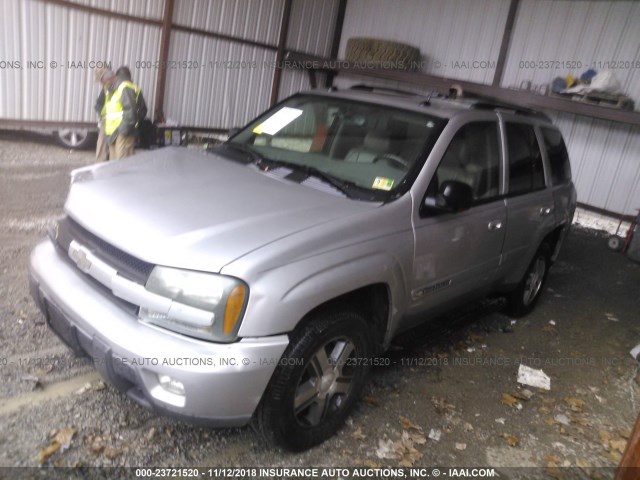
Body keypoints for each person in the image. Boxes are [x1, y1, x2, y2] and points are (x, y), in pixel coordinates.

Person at [104, 67, 142, 160]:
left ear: (116, 76)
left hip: (122, 132)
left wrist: (124, 130)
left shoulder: (125, 87)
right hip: (114, 132)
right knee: (114, 165)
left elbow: (131, 110)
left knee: (121, 164)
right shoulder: (115, 89)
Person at [93, 67, 116, 161]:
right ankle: (99, 166)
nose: (101, 83)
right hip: (106, 121)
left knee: (114, 150)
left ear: (107, 77)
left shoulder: (120, 87)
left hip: (117, 123)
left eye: (101, 80)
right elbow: (98, 104)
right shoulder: (106, 87)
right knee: (102, 148)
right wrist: (101, 116)